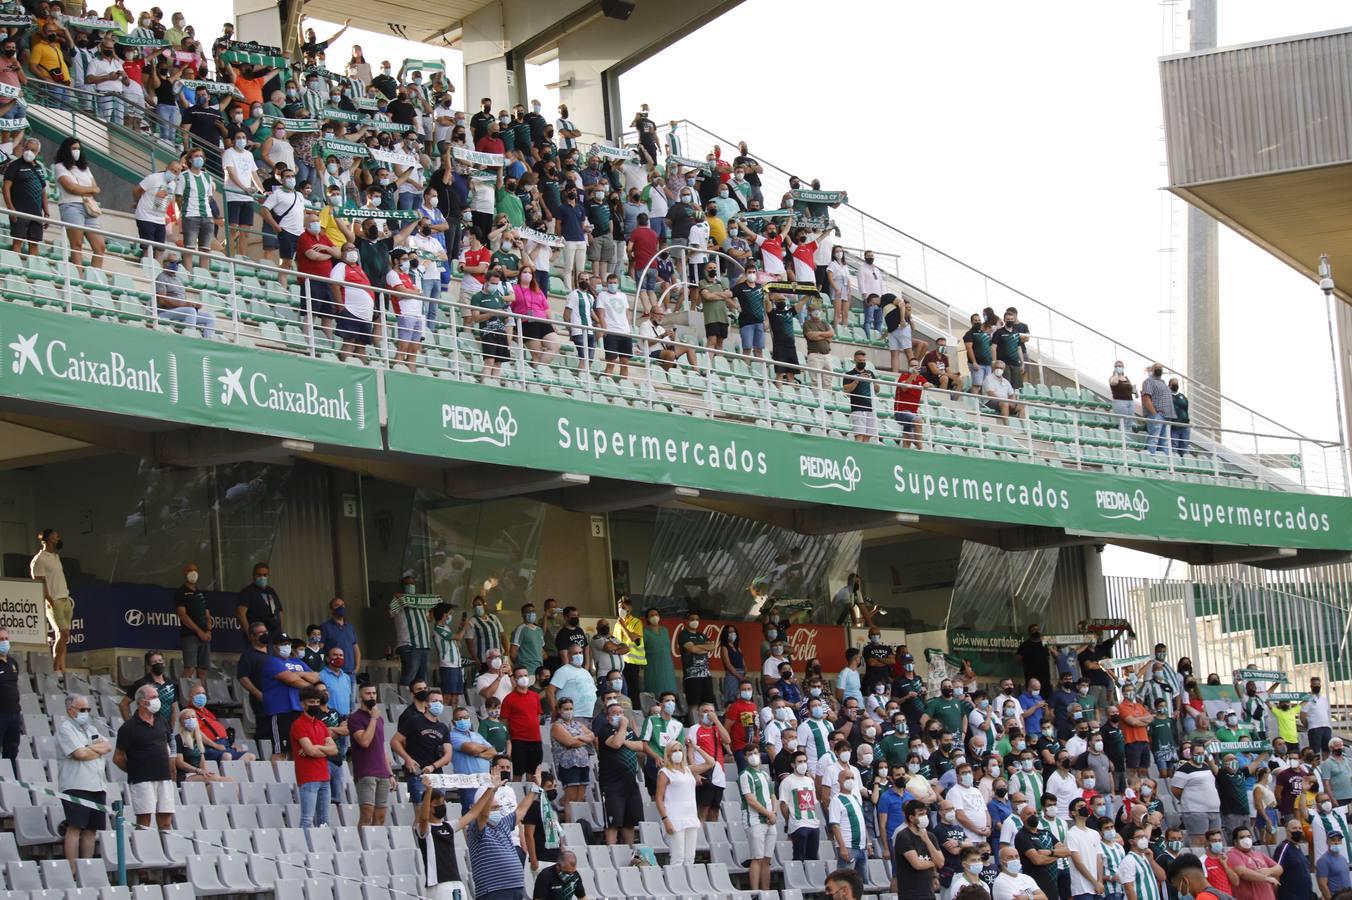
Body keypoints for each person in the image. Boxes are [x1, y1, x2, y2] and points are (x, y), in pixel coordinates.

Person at [465, 759, 539, 900]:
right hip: (494, 890)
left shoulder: (503, 824)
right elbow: (484, 814)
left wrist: (535, 787)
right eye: (493, 808)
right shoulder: (477, 828)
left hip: (515, 887)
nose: (497, 811)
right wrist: (492, 790)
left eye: (497, 808)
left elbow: (521, 810)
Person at [57, 694, 111, 872]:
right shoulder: (65, 729)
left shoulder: (90, 729)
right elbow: (78, 754)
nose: (86, 712)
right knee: (75, 827)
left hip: (97, 784)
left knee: (91, 830)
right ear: (70, 710)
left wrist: (87, 748)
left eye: (88, 709)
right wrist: (94, 749)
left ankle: (86, 869)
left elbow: (108, 746)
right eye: (82, 709)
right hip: (76, 784)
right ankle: (72, 870)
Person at [115, 684, 175, 829]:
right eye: (154, 697)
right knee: (144, 821)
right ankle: (143, 848)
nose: (157, 700)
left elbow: (170, 745)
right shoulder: (128, 727)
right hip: (142, 780)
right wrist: (135, 770)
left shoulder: (162, 721)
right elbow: (118, 757)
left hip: (164, 777)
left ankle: (164, 849)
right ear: (142, 702)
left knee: (166, 820)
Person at [597, 701, 645, 846]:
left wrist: (625, 741)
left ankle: (629, 851)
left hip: (630, 783)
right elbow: (616, 743)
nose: (619, 716)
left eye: (621, 713)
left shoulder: (629, 731)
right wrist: (623, 727)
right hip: (612, 785)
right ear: (608, 717)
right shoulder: (604, 730)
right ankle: (612, 851)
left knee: (629, 822)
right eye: (615, 713)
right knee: (613, 823)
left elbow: (641, 746)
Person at [348, 683, 392, 827]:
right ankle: (363, 846)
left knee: (380, 816)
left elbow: (381, 747)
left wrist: (390, 773)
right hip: (366, 771)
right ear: (360, 697)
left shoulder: (379, 718)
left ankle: (376, 846)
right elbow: (364, 741)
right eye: (368, 693)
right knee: (367, 814)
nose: (372, 696)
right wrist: (373, 719)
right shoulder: (355, 718)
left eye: (374, 693)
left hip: (382, 772)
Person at [30, 528, 73, 672]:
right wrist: (49, 599)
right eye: (55, 536)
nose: (58, 538)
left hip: (65, 599)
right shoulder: (39, 559)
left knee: (64, 636)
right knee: (63, 633)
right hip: (54, 601)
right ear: (48, 539)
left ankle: (62, 666)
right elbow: (39, 582)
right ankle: (55, 668)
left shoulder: (55, 556)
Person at [655, 740, 700, 864]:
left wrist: (695, 748)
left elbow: (711, 763)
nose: (678, 753)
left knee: (690, 858)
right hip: (674, 818)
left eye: (680, 750)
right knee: (678, 857)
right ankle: (676, 883)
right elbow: (659, 798)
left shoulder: (688, 770)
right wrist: (665, 819)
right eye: (674, 751)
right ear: (668, 754)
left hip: (691, 817)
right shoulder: (664, 772)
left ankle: (689, 883)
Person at [5, 139, 48, 258]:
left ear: (38, 153)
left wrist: (47, 212)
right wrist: (11, 209)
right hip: (19, 211)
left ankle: (33, 272)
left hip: (36, 213)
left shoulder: (40, 168)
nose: (28, 151)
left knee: (34, 244)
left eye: (32, 150)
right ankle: (14, 269)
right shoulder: (15, 165)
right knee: (17, 241)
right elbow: (6, 188)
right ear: (23, 148)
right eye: (27, 148)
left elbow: (43, 191)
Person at [172, 563, 212, 681]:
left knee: (203, 670)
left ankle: (202, 696)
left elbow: (208, 615)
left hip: (205, 636)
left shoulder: (200, 594)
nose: (193, 572)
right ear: (185, 573)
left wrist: (208, 631)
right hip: (189, 635)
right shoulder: (180, 593)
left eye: (195, 570)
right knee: (189, 669)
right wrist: (199, 631)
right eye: (190, 570)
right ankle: (182, 696)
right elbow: (183, 615)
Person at [502, 665, 543, 777]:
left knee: (533, 774)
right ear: (514, 679)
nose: (524, 678)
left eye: (525, 675)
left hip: (535, 740)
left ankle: (531, 794)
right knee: (517, 774)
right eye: (520, 676)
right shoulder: (509, 699)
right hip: (518, 741)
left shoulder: (535, 696)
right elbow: (504, 720)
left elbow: (538, 715)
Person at [780, 749, 822, 860]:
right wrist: (789, 821)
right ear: (793, 764)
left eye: (805, 761)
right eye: (800, 762)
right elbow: (783, 804)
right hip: (798, 824)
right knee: (799, 856)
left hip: (813, 823)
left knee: (813, 858)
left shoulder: (810, 781)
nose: (803, 764)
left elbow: (813, 802)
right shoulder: (787, 781)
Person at [119, 649, 179, 726]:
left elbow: (173, 708)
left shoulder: (172, 684)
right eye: (154, 662)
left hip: (166, 728)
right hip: (147, 727)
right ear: (149, 665)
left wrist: (171, 729)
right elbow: (123, 704)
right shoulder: (141, 683)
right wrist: (130, 725)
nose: (158, 664)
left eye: (160, 660)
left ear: (164, 662)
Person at [1227, 825, 1283, 900]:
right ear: (1235, 842)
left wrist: (1269, 871)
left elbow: (1279, 868)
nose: (1246, 839)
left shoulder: (1258, 854)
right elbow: (1242, 872)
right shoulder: (1232, 854)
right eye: (1242, 837)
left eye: (1248, 836)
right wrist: (1265, 878)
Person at [677, 611, 717, 712]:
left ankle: (706, 725)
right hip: (692, 676)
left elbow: (712, 646)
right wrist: (702, 648)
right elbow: (692, 649)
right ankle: (694, 726)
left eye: (697, 619)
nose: (695, 621)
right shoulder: (683, 635)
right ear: (686, 621)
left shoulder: (701, 635)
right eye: (692, 619)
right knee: (694, 704)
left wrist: (697, 646)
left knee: (708, 703)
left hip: (706, 675)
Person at [236, 562, 283, 635]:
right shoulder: (247, 592)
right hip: (257, 635)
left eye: (265, 575)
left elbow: (279, 612)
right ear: (253, 576)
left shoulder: (271, 591)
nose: (262, 577)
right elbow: (241, 613)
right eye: (259, 575)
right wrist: (249, 633)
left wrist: (280, 630)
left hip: (274, 634)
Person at [843, 350, 879, 443]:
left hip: (870, 407)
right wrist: (857, 379)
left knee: (867, 437)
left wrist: (871, 381)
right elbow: (846, 389)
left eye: (864, 360)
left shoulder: (870, 373)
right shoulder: (849, 374)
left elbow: (877, 389)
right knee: (859, 436)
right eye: (860, 360)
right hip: (858, 408)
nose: (862, 362)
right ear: (855, 360)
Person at [1170, 851, 1239, 900]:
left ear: (1185, 881)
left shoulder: (1204, 897)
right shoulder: (1222, 895)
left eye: (1177, 887)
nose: (1179, 891)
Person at [319, 596, 361, 676]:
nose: (341, 607)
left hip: (350, 673)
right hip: (333, 672)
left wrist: (357, 668)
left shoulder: (350, 627)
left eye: (343, 605)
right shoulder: (325, 627)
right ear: (332, 609)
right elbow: (320, 649)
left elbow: (356, 649)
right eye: (337, 605)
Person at [1140, 363, 1175, 455]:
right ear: (1152, 370)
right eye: (1157, 367)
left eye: (1160, 367)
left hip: (1165, 416)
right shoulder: (1148, 381)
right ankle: (1150, 459)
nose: (1159, 369)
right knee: (1154, 439)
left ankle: (1166, 462)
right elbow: (1146, 398)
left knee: (1165, 441)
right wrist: (1154, 414)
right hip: (1157, 415)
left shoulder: (1162, 382)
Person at [1272, 818, 1312, 900]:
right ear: (1287, 831)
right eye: (1294, 828)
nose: (1298, 830)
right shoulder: (1284, 847)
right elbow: (1275, 873)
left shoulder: (1299, 848)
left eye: (1299, 828)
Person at [1302, 678, 1332, 759]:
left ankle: (1326, 769)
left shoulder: (1324, 699)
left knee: (1327, 751)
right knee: (1315, 752)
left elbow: (1327, 712)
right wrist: (1309, 726)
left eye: (1318, 684)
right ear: (1311, 686)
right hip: (1314, 728)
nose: (1317, 686)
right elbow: (1302, 716)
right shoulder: (1307, 699)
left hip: (1326, 727)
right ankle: (1316, 769)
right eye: (1314, 684)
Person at [1315, 831, 1349, 900]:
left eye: (1339, 840)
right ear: (1327, 842)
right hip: (1336, 897)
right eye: (1333, 840)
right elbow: (1322, 885)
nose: (1336, 842)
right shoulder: (1323, 860)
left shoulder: (1343, 859)